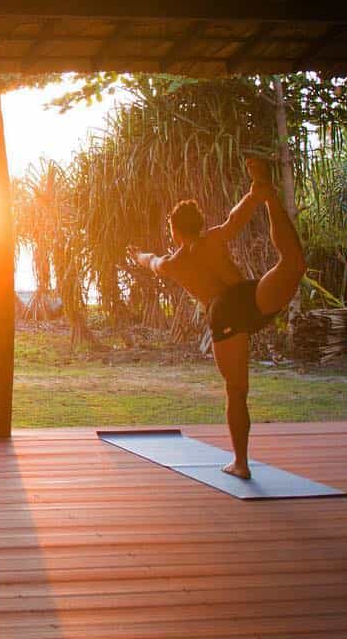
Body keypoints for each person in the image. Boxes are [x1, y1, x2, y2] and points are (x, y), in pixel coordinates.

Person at [127, 157, 306, 480]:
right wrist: (255, 196)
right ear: (198, 224)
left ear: (175, 231)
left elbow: (151, 261)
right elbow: (235, 219)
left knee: (237, 391)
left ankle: (241, 463)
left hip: (225, 312)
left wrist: (137, 255)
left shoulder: (174, 262)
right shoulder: (213, 238)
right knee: (293, 263)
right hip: (249, 298)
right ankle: (270, 197)